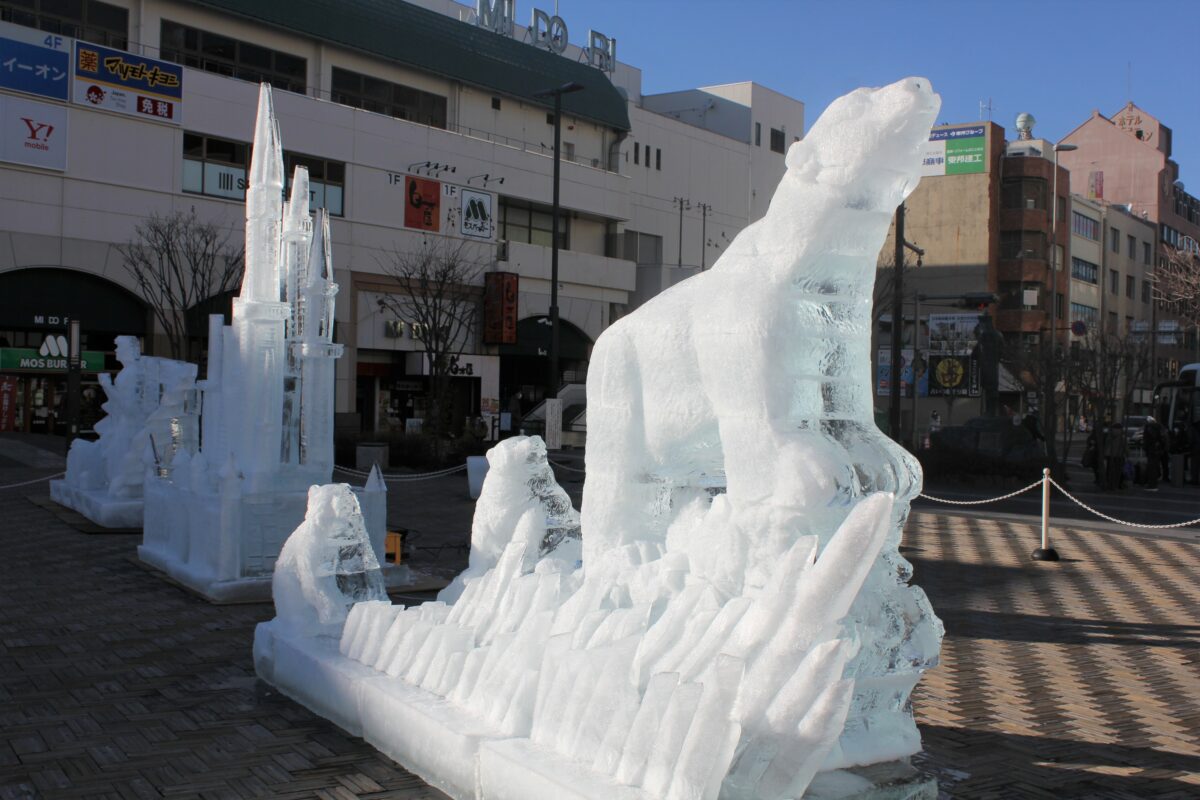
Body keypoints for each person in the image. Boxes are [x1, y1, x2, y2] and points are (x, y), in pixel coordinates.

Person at [1142, 416, 1167, 491]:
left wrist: (1146, 447)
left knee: (1151, 468)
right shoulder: (1160, 427)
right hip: (1158, 450)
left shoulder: (1149, 428)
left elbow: (1148, 440)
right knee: (1155, 467)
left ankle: (1152, 485)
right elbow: (1163, 439)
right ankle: (1153, 484)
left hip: (1152, 450)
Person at [1103, 419, 1127, 490]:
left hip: (1110, 455)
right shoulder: (1122, 436)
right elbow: (1125, 446)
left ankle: (1109, 482)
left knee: (1109, 469)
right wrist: (1127, 454)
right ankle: (1118, 484)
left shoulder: (1109, 434)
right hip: (1119, 455)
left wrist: (1104, 453)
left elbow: (1106, 444)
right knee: (1118, 470)